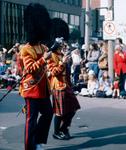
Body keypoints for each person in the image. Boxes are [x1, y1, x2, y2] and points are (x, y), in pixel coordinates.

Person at [19, 3, 53, 150]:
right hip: (31, 88)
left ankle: (38, 140)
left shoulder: (42, 46)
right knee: (31, 120)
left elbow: (47, 64)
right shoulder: (26, 49)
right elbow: (30, 68)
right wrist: (44, 59)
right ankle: (29, 146)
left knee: (48, 114)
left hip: (43, 88)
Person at [47, 18, 80, 140]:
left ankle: (64, 128)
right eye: (61, 45)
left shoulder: (62, 55)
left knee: (73, 108)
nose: (63, 46)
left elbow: (67, 72)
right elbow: (54, 72)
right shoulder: (51, 56)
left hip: (67, 86)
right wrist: (62, 63)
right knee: (60, 111)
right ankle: (56, 132)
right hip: (58, 86)